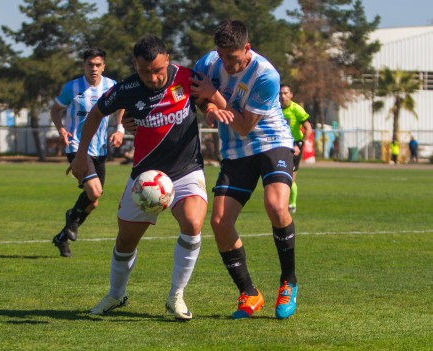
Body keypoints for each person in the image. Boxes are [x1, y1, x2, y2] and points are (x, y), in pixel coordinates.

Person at [70, 35, 208, 321]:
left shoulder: (187, 77)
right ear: (136, 65)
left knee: (193, 223)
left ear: (167, 60)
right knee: (125, 241)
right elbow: (95, 115)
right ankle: (115, 293)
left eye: (158, 70)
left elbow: (206, 100)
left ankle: (176, 296)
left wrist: (213, 108)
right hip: (145, 177)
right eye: (146, 71)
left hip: (186, 170)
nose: (153, 77)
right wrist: (82, 155)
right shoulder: (127, 89)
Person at [191, 19, 298, 320]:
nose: (227, 63)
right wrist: (209, 106)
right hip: (236, 153)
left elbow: (243, 126)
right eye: (222, 56)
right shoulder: (209, 63)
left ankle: (288, 282)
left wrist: (215, 95)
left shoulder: (266, 75)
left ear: (247, 48)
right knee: (220, 222)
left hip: (271, 142)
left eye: (233, 58)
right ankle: (249, 294)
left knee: (276, 206)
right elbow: (199, 98)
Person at [51, 48, 124, 257]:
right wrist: (61, 130)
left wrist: (120, 129)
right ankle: (72, 217)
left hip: (100, 148)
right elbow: (55, 110)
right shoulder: (72, 87)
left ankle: (62, 237)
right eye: (90, 64)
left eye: (98, 65)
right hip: (76, 147)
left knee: (93, 201)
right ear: (84, 65)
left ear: (104, 66)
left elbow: (122, 107)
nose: (94, 68)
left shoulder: (112, 86)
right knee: (95, 192)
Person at [279, 84, 313, 214]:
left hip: (294, 146)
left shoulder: (296, 109)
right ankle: (281, 203)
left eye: (285, 93)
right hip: (280, 145)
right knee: (279, 176)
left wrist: (300, 144)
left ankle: (291, 204)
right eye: (281, 93)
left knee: (291, 178)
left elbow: (308, 128)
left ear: (291, 95)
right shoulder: (275, 109)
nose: (283, 96)